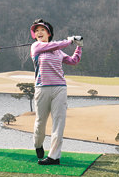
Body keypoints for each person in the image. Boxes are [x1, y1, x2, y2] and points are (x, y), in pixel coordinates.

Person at [30, 18, 83, 165]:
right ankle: (38, 144)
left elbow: (74, 61)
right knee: (40, 122)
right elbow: (59, 44)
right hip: (42, 88)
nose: (39, 32)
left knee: (59, 122)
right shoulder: (36, 47)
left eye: (42, 30)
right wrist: (70, 40)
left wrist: (79, 46)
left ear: (49, 33)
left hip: (60, 88)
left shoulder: (58, 51)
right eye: (36, 31)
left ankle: (54, 156)